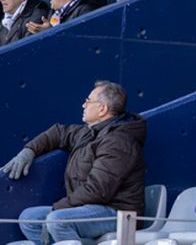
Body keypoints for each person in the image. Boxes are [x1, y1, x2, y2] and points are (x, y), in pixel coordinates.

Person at [5, 81, 145, 245]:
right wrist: (29, 151)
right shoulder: (89, 133)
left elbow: (97, 191)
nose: (83, 105)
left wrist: (59, 207)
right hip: (88, 207)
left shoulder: (118, 142)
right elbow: (58, 133)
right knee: (29, 219)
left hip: (117, 213)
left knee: (58, 220)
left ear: (102, 109)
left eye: (88, 101)